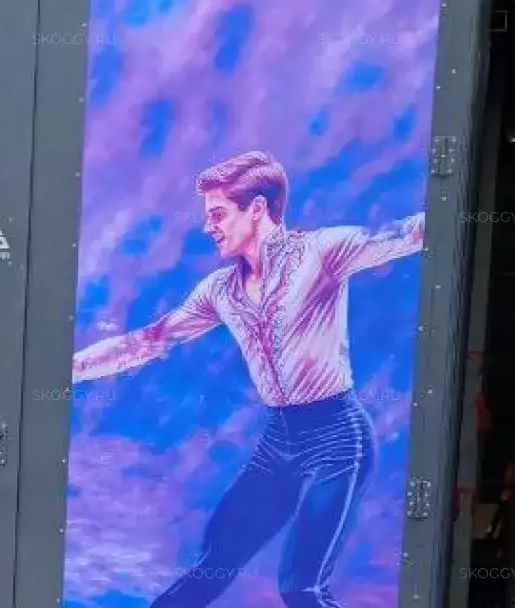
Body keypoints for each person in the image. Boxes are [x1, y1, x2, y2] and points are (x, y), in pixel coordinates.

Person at [71, 151, 425, 608]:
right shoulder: (220, 291)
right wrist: (71, 369)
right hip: (279, 442)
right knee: (212, 566)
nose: (208, 227)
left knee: (300, 588)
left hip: (337, 440)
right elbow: (147, 341)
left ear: (256, 208)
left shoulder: (322, 252)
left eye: (218, 214)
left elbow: (410, 233)